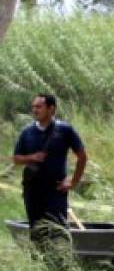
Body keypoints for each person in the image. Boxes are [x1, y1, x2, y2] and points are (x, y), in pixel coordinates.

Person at [11, 94, 88, 246]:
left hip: (56, 190)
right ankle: (41, 264)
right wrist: (32, 157)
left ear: (51, 108)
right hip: (32, 190)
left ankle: (63, 263)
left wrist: (73, 182)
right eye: (33, 107)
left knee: (59, 229)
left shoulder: (65, 130)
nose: (34, 110)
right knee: (37, 230)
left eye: (39, 107)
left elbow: (82, 157)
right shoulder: (27, 132)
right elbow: (16, 159)